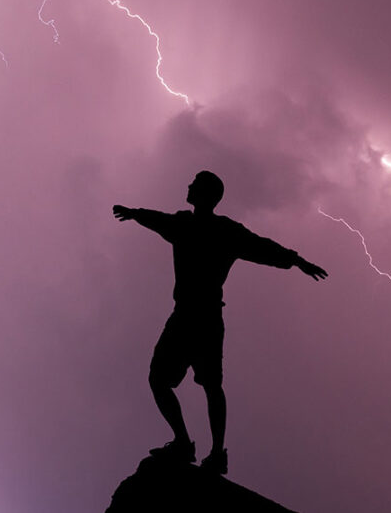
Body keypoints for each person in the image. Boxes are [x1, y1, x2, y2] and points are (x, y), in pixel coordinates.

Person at [112, 170, 327, 475]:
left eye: (193, 185)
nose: (187, 186)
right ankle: (204, 449)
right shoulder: (211, 229)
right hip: (203, 317)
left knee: (183, 382)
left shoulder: (194, 227)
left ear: (203, 194)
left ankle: (196, 447)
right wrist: (135, 214)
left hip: (193, 317)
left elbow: (262, 246)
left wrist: (296, 260)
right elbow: (262, 246)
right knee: (196, 384)